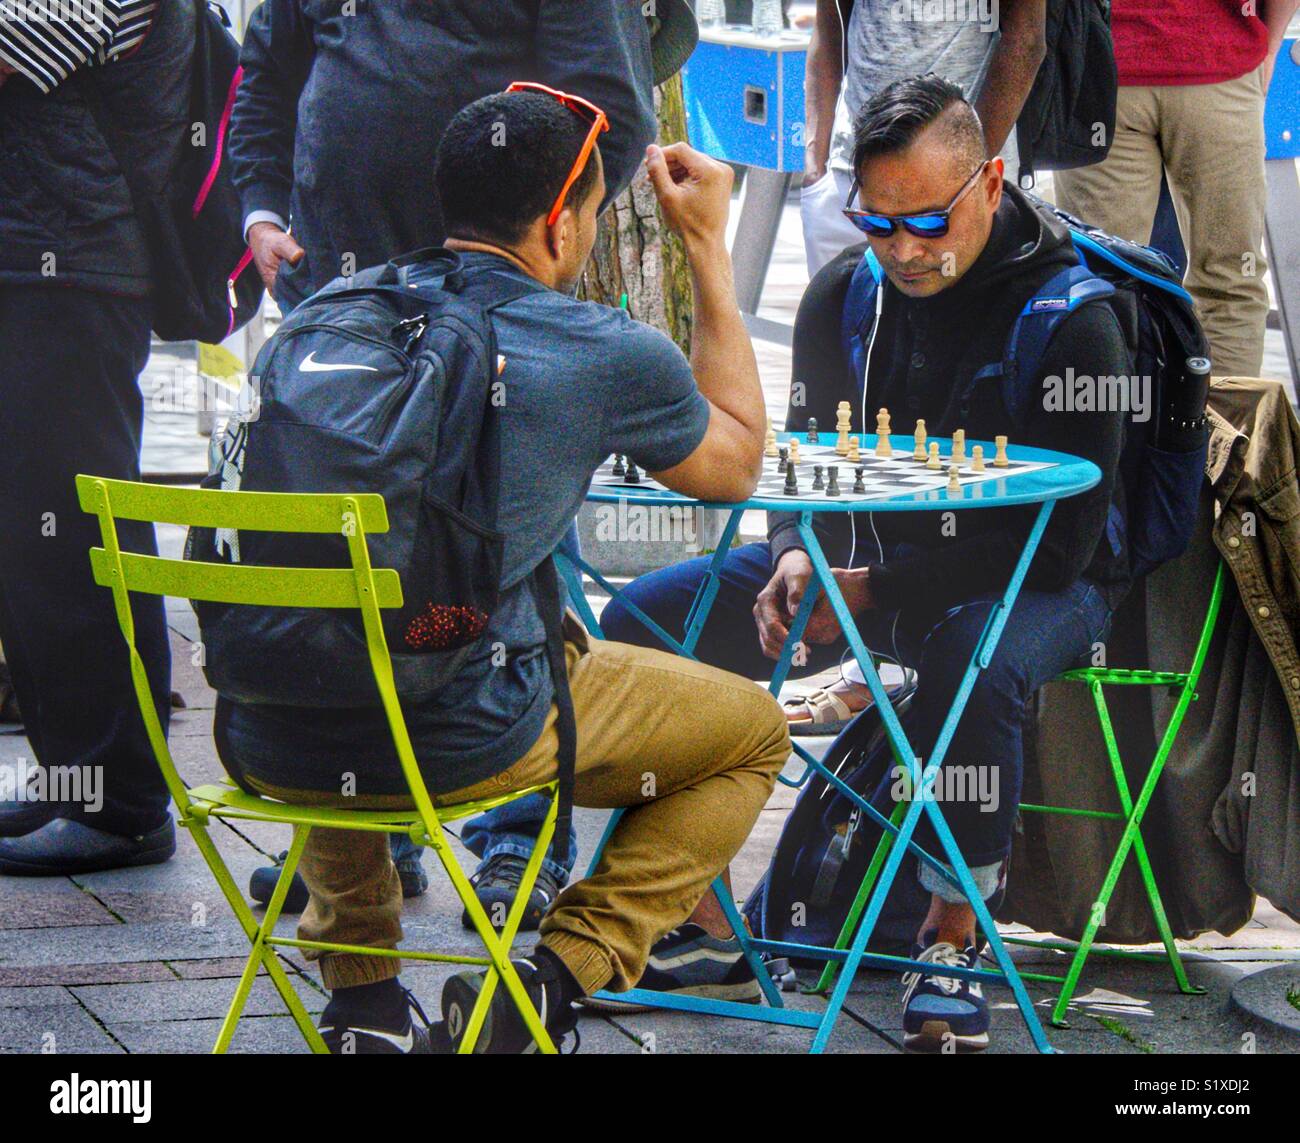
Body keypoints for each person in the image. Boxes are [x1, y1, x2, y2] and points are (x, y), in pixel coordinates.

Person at [209, 88, 790, 1054]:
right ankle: (548, 987)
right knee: (754, 734)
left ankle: (364, 1005)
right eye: (596, 215)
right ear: (561, 223)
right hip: (465, 728)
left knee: (345, 632)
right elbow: (732, 467)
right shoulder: (598, 348)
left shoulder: (326, 315)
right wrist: (708, 247)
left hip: (268, 726)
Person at [602, 75, 1133, 1051]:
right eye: (877, 222)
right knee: (642, 620)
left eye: (928, 219)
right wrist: (796, 559)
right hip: (871, 569)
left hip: (1043, 588)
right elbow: (806, 471)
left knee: (975, 661)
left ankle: (950, 940)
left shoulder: (1073, 320)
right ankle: (697, 916)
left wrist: (865, 589)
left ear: (988, 183)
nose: (904, 248)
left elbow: (1057, 548)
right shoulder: (847, 292)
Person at [229, 0, 694, 920]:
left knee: (502, 528)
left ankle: (519, 837)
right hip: (343, 296)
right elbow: (266, 72)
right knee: (340, 558)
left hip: (491, 296)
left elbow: (605, 106)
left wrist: (498, 217)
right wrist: (261, 205)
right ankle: (353, 824)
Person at [0, 1, 186, 874]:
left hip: (70, 262)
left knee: (75, 530)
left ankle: (122, 803)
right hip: (41, 253)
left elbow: (15, 45)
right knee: (32, 543)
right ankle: (73, 776)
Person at [1052, 0, 1297, 378]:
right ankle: (1225, 431)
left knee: (1100, 282)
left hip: (1101, 67)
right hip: (1217, 64)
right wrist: (1269, 46)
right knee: (1230, 279)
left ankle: (1113, 431)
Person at [801, 0, 1046, 277]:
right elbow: (830, 26)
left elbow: (1027, 38)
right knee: (839, 314)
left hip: (956, 193)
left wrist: (971, 177)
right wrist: (815, 163)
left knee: (958, 317)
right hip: (847, 178)